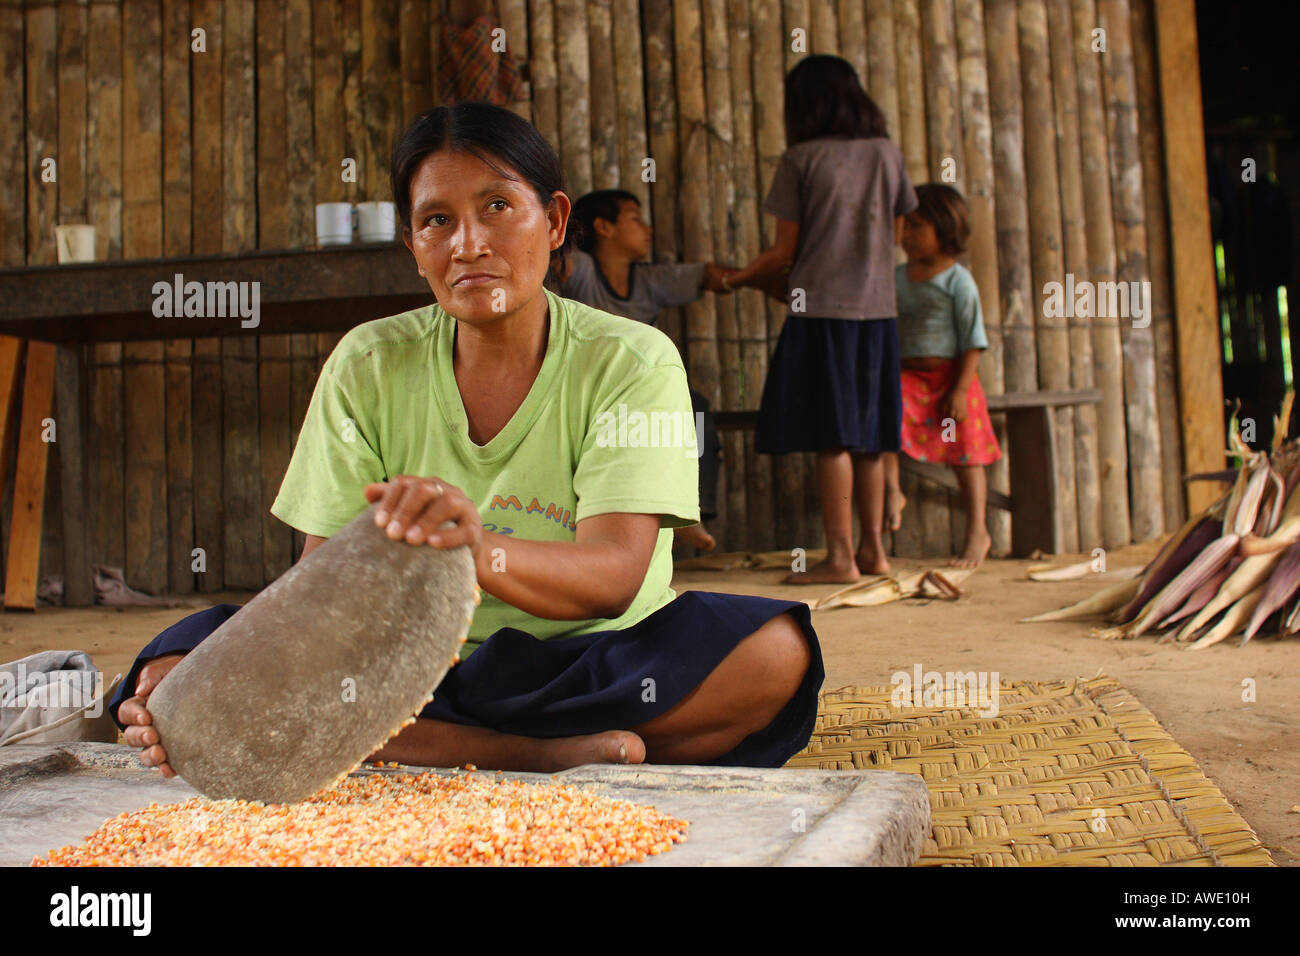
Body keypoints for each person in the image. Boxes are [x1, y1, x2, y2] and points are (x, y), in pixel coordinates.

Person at [111, 102, 823, 775]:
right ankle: (528, 754)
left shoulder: (631, 361)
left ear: (554, 220)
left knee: (775, 653)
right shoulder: (368, 363)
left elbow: (613, 579)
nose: (469, 244)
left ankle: (441, 750)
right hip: (414, 675)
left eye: (497, 207)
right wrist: (207, 691)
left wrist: (474, 548)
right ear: (412, 246)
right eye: (437, 221)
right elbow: (322, 599)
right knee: (173, 669)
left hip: (594, 665)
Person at [723, 54, 917, 583]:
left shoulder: (801, 158)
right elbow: (897, 235)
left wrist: (734, 279)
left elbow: (782, 252)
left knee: (832, 438)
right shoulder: (886, 154)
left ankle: (840, 559)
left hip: (821, 312)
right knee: (871, 439)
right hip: (877, 313)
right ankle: (875, 552)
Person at [554, 188, 731, 552]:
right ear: (604, 227)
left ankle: (689, 510)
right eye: (635, 219)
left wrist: (767, 276)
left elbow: (711, 276)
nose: (647, 229)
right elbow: (549, 259)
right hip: (581, 389)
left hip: (639, 395)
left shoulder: (650, 280)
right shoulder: (582, 270)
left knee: (693, 409)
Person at [884, 184, 1001, 567]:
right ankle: (891, 490)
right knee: (882, 419)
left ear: (945, 227)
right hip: (907, 378)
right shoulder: (898, 278)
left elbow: (973, 340)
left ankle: (977, 532)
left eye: (916, 226)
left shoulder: (958, 281)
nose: (906, 235)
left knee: (966, 451)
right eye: (903, 226)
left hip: (952, 377)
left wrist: (960, 388)